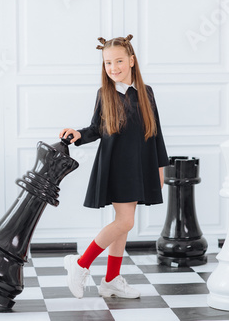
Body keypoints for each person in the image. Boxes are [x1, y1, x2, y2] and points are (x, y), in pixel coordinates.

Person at [59, 34, 169, 299]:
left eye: (119, 61)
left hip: (140, 166)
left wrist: (160, 167)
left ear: (131, 60)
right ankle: (81, 263)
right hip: (116, 166)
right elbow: (96, 128)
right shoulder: (105, 93)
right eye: (108, 63)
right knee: (125, 221)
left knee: (124, 224)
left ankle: (110, 280)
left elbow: (156, 133)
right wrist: (78, 134)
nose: (113, 67)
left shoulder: (146, 93)